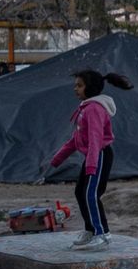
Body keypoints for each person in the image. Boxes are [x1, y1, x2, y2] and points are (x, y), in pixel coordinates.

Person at [49, 69, 133, 250]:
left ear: (91, 87)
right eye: (75, 85)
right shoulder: (85, 108)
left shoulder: (94, 109)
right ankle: (90, 229)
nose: (75, 89)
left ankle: (101, 233)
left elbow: (95, 139)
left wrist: (92, 164)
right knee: (80, 192)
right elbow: (76, 139)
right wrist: (57, 159)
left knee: (91, 194)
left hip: (99, 155)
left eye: (79, 86)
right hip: (93, 156)